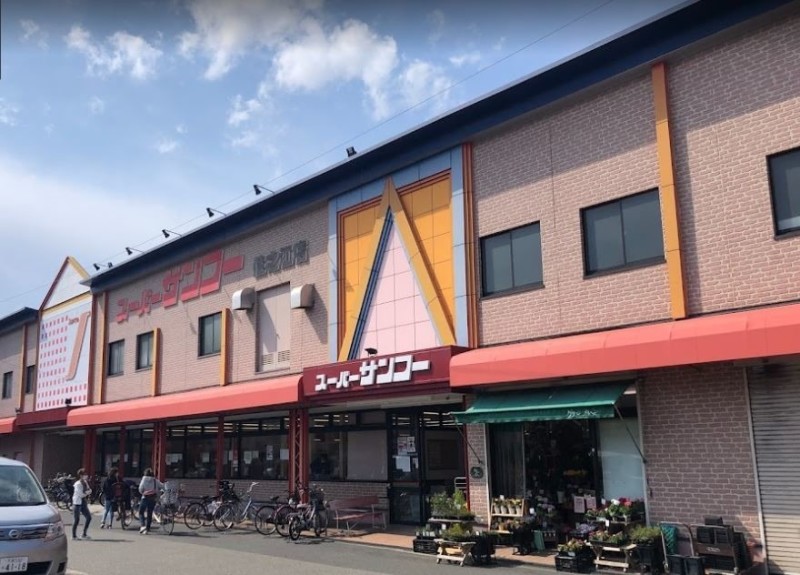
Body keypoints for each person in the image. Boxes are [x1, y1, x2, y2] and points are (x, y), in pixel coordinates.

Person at [138, 468, 163, 534]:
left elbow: (140, 489)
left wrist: (143, 492)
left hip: (145, 498)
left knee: (141, 512)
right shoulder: (155, 480)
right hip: (153, 498)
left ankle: (143, 526)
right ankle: (148, 528)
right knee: (150, 513)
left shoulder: (144, 480)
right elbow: (162, 486)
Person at [71, 468, 92, 540]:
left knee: (89, 517)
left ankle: (84, 534)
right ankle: (74, 536)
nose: (86, 476)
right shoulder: (78, 484)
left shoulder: (85, 482)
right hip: (77, 502)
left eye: (86, 474)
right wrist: (87, 492)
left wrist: (88, 492)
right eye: (84, 474)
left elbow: (89, 489)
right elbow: (81, 494)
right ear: (80, 475)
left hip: (83, 501)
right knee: (76, 519)